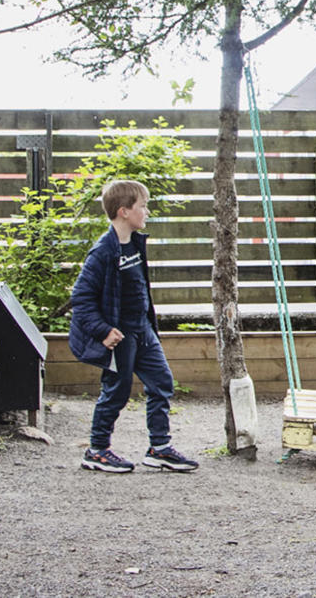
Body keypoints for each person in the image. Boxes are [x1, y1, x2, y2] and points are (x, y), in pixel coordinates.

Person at [67, 180, 199, 474]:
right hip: (120, 335)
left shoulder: (135, 243)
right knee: (117, 390)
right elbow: (81, 298)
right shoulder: (103, 251)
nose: (147, 212)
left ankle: (159, 449)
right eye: (142, 206)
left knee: (162, 382)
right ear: (124, 211)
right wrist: (103, 330)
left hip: (143, 330)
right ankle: (97, 451)